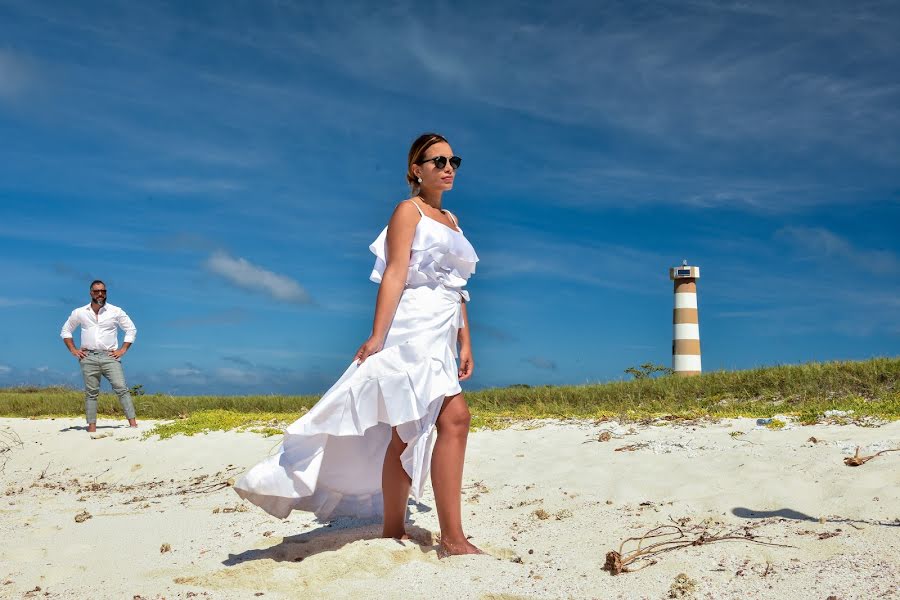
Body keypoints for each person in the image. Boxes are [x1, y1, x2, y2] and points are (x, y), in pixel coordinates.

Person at [235, 133, 483, 556]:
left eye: (453, 159)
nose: (447, 167)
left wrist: (465, 337)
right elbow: (394, 274)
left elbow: (455, 286)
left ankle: (393, 529)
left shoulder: (453, 221)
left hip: (442, 328)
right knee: (451, 418)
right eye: (436, 160)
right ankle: (453, 540)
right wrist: (378, 335)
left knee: (408, 433)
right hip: (413, 326)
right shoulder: (408, 211)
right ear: (415, 170)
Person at [60, 280, 138, 432]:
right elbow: (66, 331)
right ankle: (92, 427)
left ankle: (133, 424)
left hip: (110, 357)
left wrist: (122, 350)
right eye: (97, 291)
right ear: (91, 293)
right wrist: (73, 350)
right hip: (87, 356)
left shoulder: (116, 311)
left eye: (103, 291)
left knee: (121, 388)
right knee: (91, 393)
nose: (100, 294)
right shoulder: (80, 312)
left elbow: (131, 329)